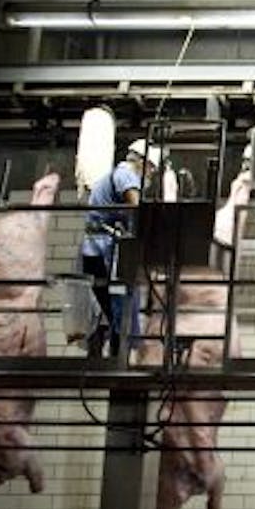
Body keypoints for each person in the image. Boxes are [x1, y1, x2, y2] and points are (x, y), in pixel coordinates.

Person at [79, 138, 160, 357]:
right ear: (142, 162)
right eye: (151, 170)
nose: (151, 176)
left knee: (113, 307)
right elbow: (136, 208)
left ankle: (107, 349)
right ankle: (117, 355)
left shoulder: (118, 174)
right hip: (102, 250)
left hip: (97, 249)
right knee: (122, 303)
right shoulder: (125, 173)